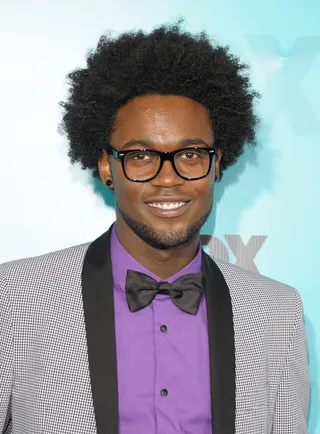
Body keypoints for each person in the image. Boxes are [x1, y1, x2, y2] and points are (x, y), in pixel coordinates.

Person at [0, 23, 309, 434]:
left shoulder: (276, 311)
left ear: (217, 164)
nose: (169, 178)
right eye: (142, 155)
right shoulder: (15, 299)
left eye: (192, 153)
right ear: (108, 167)